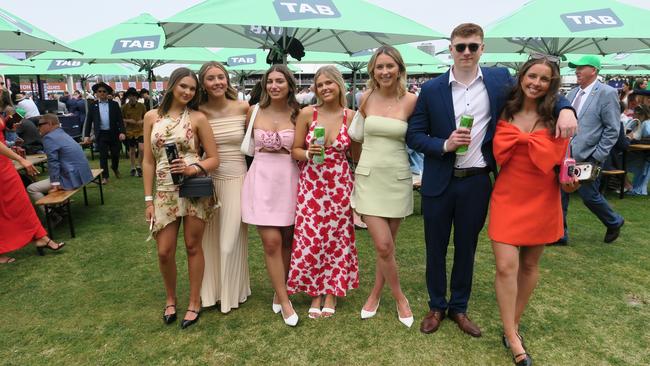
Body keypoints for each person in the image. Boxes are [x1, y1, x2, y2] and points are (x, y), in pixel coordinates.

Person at [406, 23, 576, 337]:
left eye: (473, 46)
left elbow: (538, 88)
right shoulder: (431, 89)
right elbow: (414, 135)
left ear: (482, 48)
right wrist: (444, 144)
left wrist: (567, 108)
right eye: (461, 47)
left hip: (477, 181)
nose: (467, 52)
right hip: (439, 181)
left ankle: (459, 307)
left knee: (467, 247)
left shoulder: (499, 81)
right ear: (451, 49)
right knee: (435, 247)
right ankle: (436, 305)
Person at [489, 57, 580, 366]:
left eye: (544, 79)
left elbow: (566, 164)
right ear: (521, 76)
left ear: (552, 84)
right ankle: (513, 336)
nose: (536, 83)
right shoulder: (503, 108)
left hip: (543, 197)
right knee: (505, 266)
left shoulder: (558, 117)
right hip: (507, 196)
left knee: (529, 266)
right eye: (532, 76)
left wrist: (571, 183)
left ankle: (511, 326)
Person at [142, 67, 219, 329]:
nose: (187, 92)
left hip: (193, 188)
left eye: (192, 89)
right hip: (164, 191)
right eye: (183, 86)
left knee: (192, 246)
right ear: (172, 85)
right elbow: (148, 161)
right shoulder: (151, 117)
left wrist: (191, 169)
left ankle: (194, 301)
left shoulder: (198, 118)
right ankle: (171, 298)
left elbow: (213, 158)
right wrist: (147, 199)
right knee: (164, 251)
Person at [287, 65, 359, 319]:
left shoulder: (351, 116)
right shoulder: (308, 113)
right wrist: (308, 153)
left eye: (329, 83)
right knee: (311, 237)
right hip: (312, 184)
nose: (325, 88)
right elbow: (294, 150)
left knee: (338, 238)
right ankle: (314, 291)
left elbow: (355, 155)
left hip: (339, 182)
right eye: (320, 85)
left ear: (339, 84)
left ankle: (332, 292)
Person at [354, 45, 417, 328]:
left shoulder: (412, 101)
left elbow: (419, 139)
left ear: (400, 69)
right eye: (379, 67)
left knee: (387, 247)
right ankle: (400, 297)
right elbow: (355, 137)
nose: (384, 71)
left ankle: (376, 293)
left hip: (398, 179)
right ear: (373, 71)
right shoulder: (365, 97)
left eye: (390, 66)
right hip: (369, 179)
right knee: (382, 244)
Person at [241, 65, 300, 326]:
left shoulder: (300, 114)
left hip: (290, 178)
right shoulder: (252, 112)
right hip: (261, 178)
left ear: (289, 84)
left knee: (288, 239)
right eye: (270, 81)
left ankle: (281, 288)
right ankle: (285, 300)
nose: (274, 86)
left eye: (280, 81)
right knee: (271, 242)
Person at [197, 61, 251, 313]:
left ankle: (232, 293)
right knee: (209, 241)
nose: (217, 82)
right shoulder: (197, 111)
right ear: (203, 84)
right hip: (207, 180)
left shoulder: (243, 107)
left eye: (221, 77)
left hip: (237, 179)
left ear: (227, 80)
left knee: (229, 242)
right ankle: (211, 294)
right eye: (211, 78)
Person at [558, 55, 625, 245]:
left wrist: (598, 155)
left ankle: (614, 221)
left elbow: (613, 129)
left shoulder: (607, 92)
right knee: (560, 194)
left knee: (589, 196)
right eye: (576, 68)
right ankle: (560, 234)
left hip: (589, 157)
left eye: (581, 68)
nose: (577, 71)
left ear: (593, 70)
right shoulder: (571, 94)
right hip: (566, 155)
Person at [0, 113, 65, 264]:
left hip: (4, 164)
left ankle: (41, 237)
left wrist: (10, 129)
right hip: (4, 164)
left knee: (20, 202)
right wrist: (21, 159)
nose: (2, 88)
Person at [26, 113, 93, 213]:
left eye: (40, 125)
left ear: (49, 123)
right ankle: (60, 208)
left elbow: (53, 163)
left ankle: (52, 216)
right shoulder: (61, 133)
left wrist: (55, 184)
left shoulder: (49, 137)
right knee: (47, 181)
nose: (37, 128)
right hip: (83, 174)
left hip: (72, 178)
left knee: (31, 188)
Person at [83, 82, 126, 184]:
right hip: (101, 134)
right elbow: (88, 121)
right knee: (103, 156)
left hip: (114, 133)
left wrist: (122, 132)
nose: (102, 93)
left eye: (104, 91)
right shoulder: (93, 106)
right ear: (96, 93)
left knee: (115, 154)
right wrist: (86, 136)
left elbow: (120, 120)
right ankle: (105, 176)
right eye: (99, 91)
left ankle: (114, 167)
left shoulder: (114, 104)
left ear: (107, 93)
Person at [121, 87, 146, 177]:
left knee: (142, 149)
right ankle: (133, 167)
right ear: (127, 97)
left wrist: (141, 121)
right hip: (130, 132)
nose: (132, 98)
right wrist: (128, 120)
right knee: (132, 150)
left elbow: (146, 118)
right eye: (130, 96)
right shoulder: (124, 107)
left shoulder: (142, 106)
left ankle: (139, 166)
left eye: (134, 96)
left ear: (136, 97)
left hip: (140, 131)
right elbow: (121, 119)